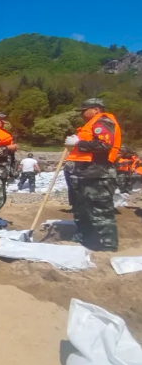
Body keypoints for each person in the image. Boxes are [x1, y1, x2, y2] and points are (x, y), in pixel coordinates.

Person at [64, 98, 121, 252]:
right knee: (82, 207)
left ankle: (107, 246)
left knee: (100, 209)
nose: (82, 113)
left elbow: (104, 145)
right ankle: (85, 236)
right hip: (86, 172)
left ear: (96, 109)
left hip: (98, 173)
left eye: (84, 110)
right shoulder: (91, 124)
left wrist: (78, 143)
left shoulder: (102, 122)